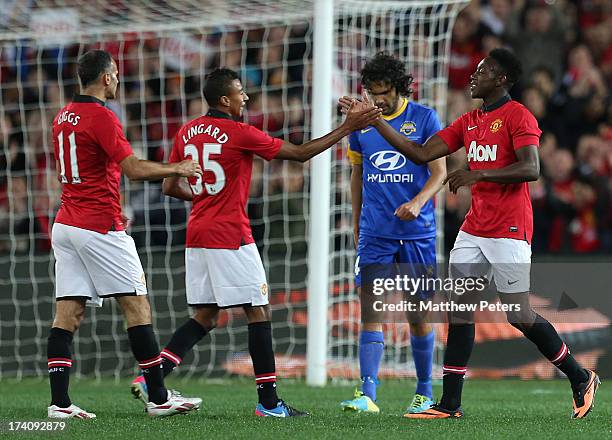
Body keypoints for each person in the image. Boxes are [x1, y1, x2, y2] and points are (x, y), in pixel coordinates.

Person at [343, 48, 599, 419]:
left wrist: (478, 175)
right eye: (476, 69)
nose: (474, 75)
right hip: (474, 229)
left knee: (518, 314)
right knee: (459, 310)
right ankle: (449, 404)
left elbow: (531, 168)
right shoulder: (470, 121)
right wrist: (376, 121)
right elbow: (419, 153)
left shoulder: (518, 115)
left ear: (503, 80)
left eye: (484, 70)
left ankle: (579, 375)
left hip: (509, 229)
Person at [130, 68, 381, 417]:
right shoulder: (239, 133)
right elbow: (300, 153)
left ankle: (151, 377)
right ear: (224, 100)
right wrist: (347, 128)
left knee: (206, 315)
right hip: (230, 233)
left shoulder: (187, 132)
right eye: (239, 92)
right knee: (257, 312)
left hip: (198, 234)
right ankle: (269, 403)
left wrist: (204, 199)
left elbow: (170, 186)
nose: (245, 97)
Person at [48, 50, 204, 419]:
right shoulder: (102, 117)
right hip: (99, 225)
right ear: (105, 78)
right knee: (136, 304)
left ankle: (59, 404)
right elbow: (132, 169)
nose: (118, 80)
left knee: (67, 314)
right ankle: (159, 398)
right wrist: (177, 167)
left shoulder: (62, 116)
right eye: (115, 74)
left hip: (66, 224)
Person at [337, 53, 446, 416]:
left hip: (417, 232)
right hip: (376, 232)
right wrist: (356, 222)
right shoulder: (361, 125)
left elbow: (439, 173)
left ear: (399, 88)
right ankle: (367, 393)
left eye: (382, 92)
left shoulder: (425, 118)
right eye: (371, 92)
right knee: (371, 310)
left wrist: (418, 202)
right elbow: (357, 175)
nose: (377, 99)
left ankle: (424, 393)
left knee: (418, 315)